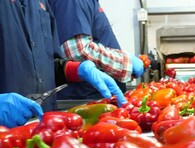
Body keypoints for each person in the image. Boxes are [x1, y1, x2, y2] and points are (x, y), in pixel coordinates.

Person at [0, 0, 126, 128]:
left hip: (45, 126)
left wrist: (77, 70)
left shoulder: (40, 3)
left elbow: (49, 63)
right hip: (5, 133)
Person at [47, 0, 145, 100]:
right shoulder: (71, 2)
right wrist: (126, 63)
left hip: (96, 96)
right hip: (84, 98)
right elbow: (78, 51)